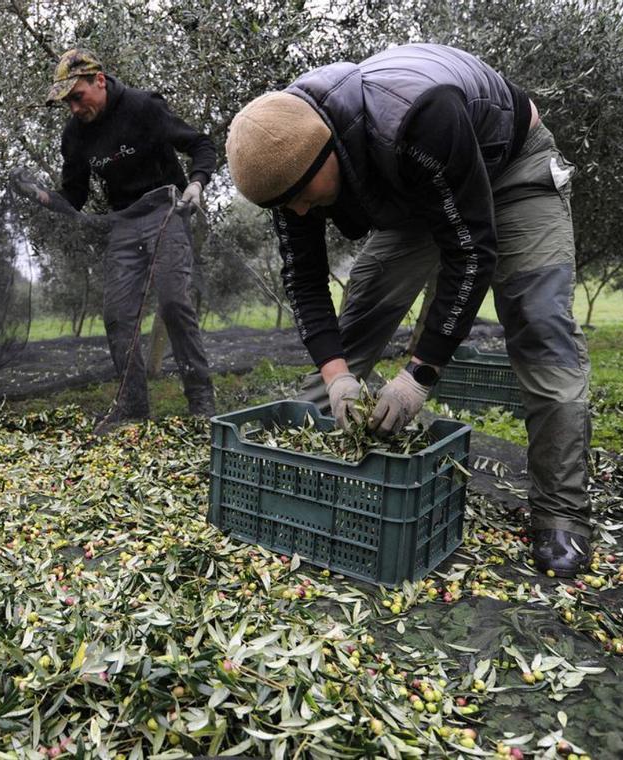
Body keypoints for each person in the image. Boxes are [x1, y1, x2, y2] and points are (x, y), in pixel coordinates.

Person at [225, 43, 591, 577]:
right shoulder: (286, 159)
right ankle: (309, 462)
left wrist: (418, 376)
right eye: (286, 206)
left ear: (327, 153)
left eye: (302, 197)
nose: (299, 212)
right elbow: (303, 281)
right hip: (415, 188)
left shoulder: (418, 118)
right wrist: (336, 376)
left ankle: (561, 514)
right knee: (362, 308)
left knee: (540, 324)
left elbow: (470, 252)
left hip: (511, 169)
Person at [38, 48, 218, 423]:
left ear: (99, 81)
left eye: (77, 96)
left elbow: (201, 144)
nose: (73, 108)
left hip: (166, 211)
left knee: (173, 304)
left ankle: (201, 401)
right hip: (123, 222)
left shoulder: (142, 106)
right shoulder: (75, 136)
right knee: (118, 316)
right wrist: (42, 197)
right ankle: (132, 407)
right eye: (67, 102)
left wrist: (198, 183)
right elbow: (74, 196)